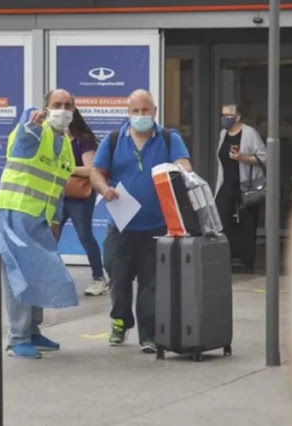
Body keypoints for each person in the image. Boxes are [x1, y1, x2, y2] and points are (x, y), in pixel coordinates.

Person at [90, 89, 192, 353]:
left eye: (145, 111)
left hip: (157, 226)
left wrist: (181, 171)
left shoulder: (169, 138)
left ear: (154, 112)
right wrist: (103, 189)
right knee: (118, 278)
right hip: (121, 226)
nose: (140, 116)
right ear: (128, 113)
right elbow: (96, 172)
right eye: (135, 111)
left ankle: (149, 334)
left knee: (151, 285)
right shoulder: (113, 140)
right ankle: (120, 321)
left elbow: (184, 165)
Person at [0, 89, 78, 359]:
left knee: (39, 273)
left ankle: (33, 330)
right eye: (56, 105)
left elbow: (59, 185)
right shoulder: (33, 132)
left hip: (40, 218)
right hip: (14, 212)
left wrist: (54, 219)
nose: (62, 110)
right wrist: (31, 126)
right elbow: (22, 144)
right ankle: (18, 339)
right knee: (18, 276)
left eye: (67, 105)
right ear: (45, 108)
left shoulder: (64, 144)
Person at [59, 108, 109, 296]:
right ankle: (51, 277)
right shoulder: (56, 139)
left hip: (79, 196)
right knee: (49, 235)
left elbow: (91, 169)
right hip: (59, 194)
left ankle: (99, 278)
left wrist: (66, 169)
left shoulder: (84, 139)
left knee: (84, 235)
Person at [214, 103, 267, 274]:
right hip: (227, 184)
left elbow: (264, 157)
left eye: (228, 115)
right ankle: (226, 258)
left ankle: (247, 261)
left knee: (248, 223)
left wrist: (242, 158)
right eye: (222, 115)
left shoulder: (250, 133)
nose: (224, 118)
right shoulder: (223, 134)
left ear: (237, 117)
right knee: (221, 219)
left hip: (246, 185)